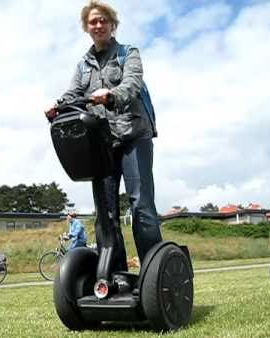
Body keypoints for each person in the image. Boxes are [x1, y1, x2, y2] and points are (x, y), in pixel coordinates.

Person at [45, 1, 162, 272]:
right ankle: (117, 274)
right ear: (87, 28)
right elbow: (73, 94)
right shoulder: (83, 65)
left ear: (112, 25)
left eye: (103, 20)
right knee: (105, 212)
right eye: (93, 22)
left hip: (134, 135)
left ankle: (153, 272)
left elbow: (132, 83)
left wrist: (111, 95)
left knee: (140, 204)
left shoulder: (127, 53)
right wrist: (57, 105)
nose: (98, 25)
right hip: (102, 142)